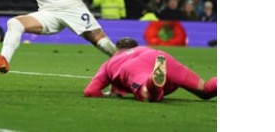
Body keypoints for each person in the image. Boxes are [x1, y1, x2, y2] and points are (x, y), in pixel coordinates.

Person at [83, 37, 217, 102]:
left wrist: (107, 96)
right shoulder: (142, 48)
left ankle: (153, 82)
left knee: (147, 95)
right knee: (205, 90)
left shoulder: (111, 61)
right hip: (159, 55)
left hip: (134, 66)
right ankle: (156, 77)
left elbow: (90, 91)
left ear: (117, 50)